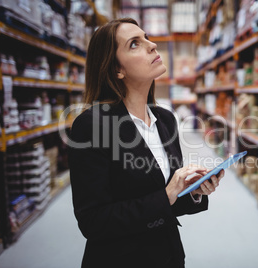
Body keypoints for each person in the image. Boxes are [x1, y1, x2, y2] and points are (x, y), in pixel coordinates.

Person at [67, 17, 225, 268]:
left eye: (146, 38)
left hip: (169, 256)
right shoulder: (91, 126)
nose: (152, 45)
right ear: (117, 69)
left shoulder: (165, 119)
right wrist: (167, 193)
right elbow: (93, 222)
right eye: (134, 44)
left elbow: (165, 201)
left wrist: (191, 191)